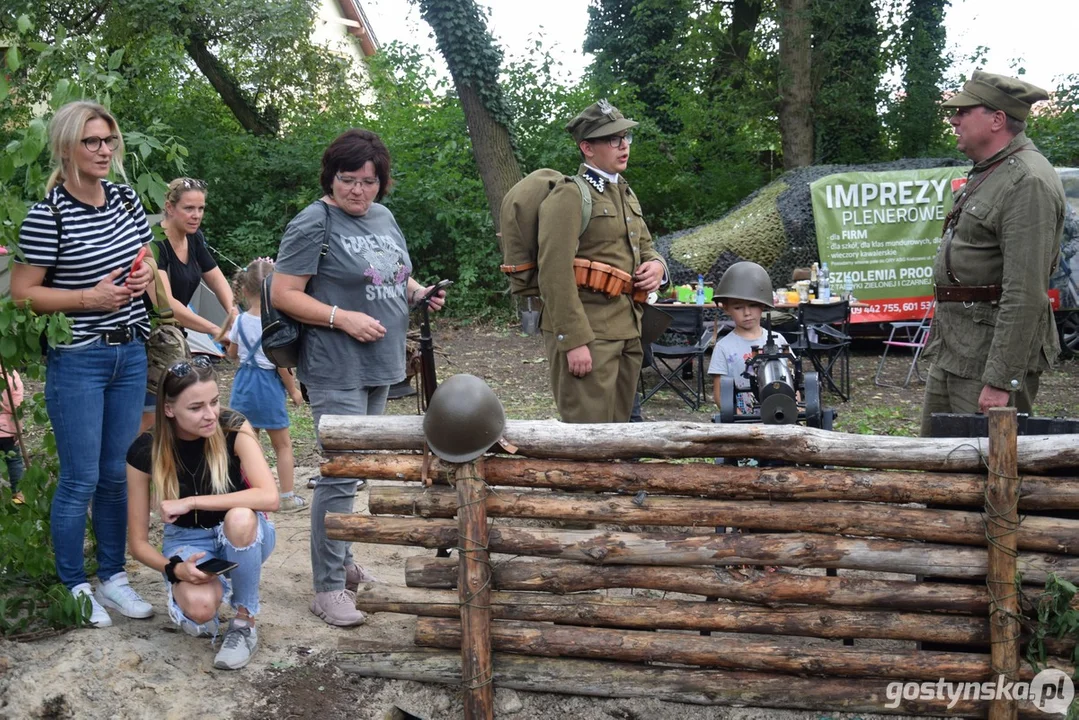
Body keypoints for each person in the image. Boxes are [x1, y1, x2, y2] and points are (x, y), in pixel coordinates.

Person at [271, 128, 445, 627]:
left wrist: (417, 292)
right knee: (340, 475)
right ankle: (326, 588)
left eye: (369, 181)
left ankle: (343, 564)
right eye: (348, 180)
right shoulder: (312, 223)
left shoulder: (383, 218)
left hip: (382, 364)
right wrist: (339, 317)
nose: (358, 190)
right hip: (335, 365)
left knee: (358, 472)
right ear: (331, 178)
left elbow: (391, 272)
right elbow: (284, 292)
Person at [12, 100, 156, 627]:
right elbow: (23, 295)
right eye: (92, 141)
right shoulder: (46, 213)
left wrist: (144, 277)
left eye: (109, 139)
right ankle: (76, 584)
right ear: (66, 147)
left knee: (118, 474)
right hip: (78, 360)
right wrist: (84, 299)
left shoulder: (124, 198)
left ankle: (112, 576)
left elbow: (147, 255)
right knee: (79, 480)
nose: (103, 149)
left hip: (130, 352)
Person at [920, 71, 1066, 436]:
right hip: (958, 347)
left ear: (997, 119)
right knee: (937, 463)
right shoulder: (991, 171)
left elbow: (1025, 292)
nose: (954, 120)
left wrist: (1002, 378)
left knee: (990, 474)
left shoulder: (1027, 181)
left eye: (964, 111)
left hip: (989, 358)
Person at [126, 356, 279, 669]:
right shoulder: (145, 451)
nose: (210, 415)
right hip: (188, 539)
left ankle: (244, 621)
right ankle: (210, 589)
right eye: (196, 408)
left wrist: (192, 502)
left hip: (244, 534)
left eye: (214, 401)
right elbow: (138, 545)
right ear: (169, 409)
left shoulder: (232, 426)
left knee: (239, 515)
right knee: (200, 608)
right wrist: (175, 570)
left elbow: (269, 497)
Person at [537, 99, 667, 423]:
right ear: (587, 148)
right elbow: (553, 272)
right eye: (613, 139)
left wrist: (658, 268)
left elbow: (646, 247)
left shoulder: (624, 191)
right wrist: (573, 339)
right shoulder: (571, 194)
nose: (624, 146)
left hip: (628, 331)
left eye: (625, 137)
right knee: (588, 441)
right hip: (590, 335)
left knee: (620, 439)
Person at [140, 177, 237, 432]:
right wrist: (216, 331)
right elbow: (166, 303)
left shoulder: (194, 239)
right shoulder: (154, 243)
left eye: (201, 209)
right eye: (189, 208)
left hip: (172, 340)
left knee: (177, 416)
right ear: (170, 207)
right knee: (150, 420)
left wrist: (233, 311)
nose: (196, 215)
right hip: (146, 342)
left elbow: (215, 277)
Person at [226, 258, 307, 513]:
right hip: (268, 386)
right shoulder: (276, 323)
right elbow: (282, 365)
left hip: (243, 385)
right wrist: (293, 390)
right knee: (282, 445)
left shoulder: (239, 321)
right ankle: (286, 496)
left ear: (245, 290)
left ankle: (252, 493)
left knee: (248, 444)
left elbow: (232, 353)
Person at [708, 262, 790, 415]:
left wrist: (793, 408)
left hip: (780, 415)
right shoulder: (723, 348)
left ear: (762, 305)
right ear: (726, 308)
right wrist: (741, 420)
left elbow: (792, 382)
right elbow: (720, 395)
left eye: (752, 305)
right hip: (743, 420)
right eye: (738, 307)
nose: (747, 313)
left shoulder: (779, 340)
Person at [0, 369, 26, 504]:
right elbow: (17, 406)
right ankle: (18, 495)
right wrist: (18, 428)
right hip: (8, 429)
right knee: (14, 461)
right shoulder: (11, 375)